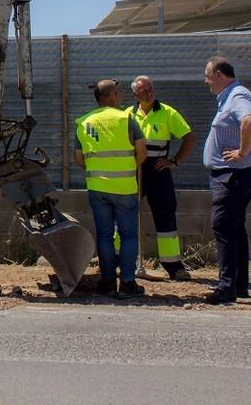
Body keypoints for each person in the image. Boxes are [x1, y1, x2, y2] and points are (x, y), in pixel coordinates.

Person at [75, 79, 148, 298]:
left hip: (97, 188)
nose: (121, 96)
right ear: (112, 96)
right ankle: (127, 283)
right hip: (125, 188)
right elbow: (141, 151)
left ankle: (107, 282)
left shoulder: (84, 122)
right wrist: (126, 166)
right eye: (118, 92)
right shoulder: (127, 118)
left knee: (104, 236)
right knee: (128, 236)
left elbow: (79, 159)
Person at [202, 56, 251, 304]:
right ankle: (239, 286)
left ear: (219, 74)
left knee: (223, 226)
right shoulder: (228, 97)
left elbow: (250, 120)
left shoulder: (238, 95)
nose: (206, 81)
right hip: (232, 174)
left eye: (208, 76)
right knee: (235, 227)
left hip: (234, 174)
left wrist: (242, 152)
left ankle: (227, 288)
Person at [127, 76, 196, 281]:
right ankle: (118, 260)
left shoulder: (167, 112)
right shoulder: (128, 114)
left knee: (165, 215)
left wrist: (174, 161)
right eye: (144, 91)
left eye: (151, 89)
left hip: (158, 170)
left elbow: (189, 138)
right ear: (135, 95)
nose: (149, 93)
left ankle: (173, 265)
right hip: (135, 170)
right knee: (125, 214)